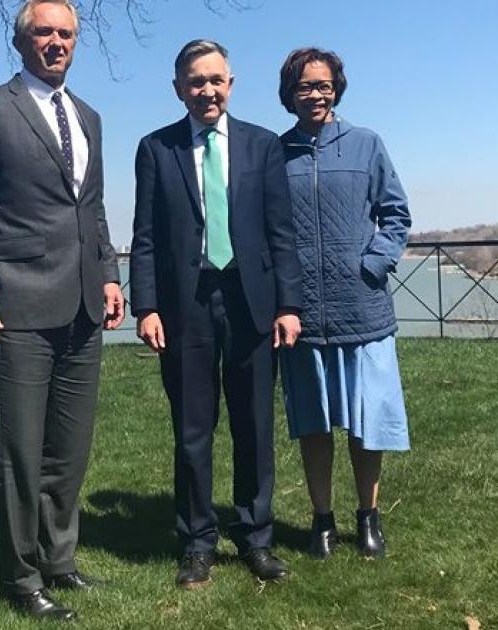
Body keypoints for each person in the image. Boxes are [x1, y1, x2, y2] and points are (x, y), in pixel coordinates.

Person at [0, 0, 124, 619]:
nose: (56, 42)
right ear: (21, 42)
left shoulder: (90, 116)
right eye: (44, 32)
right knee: (21, 448)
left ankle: (59, 559)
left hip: (82, 308)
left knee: (68, 448)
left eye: (66, 33)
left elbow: (91, 208)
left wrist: (109, 275)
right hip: (17, 301)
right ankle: (20, 578)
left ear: (77, 42)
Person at [130, 39, 302, 588]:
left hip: (253, 302)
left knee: (254, 427)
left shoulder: (263, 146)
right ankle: (197, 542)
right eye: (195, 81)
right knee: (192, 430)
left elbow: (282, 233)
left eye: (215, 80)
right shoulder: (157, 149)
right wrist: (147, 305)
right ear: (178, 89)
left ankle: (255, 537)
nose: (207, 90)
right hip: (187, 306)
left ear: (231, 83)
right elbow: (146, 237)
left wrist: (289, 305)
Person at [277, 47, 411, 560]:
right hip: (303, 314)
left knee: (366, 423)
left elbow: (395, 213)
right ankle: (323, 521)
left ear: (337, 88)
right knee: (313, 424)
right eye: (305, 86)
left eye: (324, 85)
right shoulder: (277, 152)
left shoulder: (366, 144)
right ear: (290, 92)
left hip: (364, 309)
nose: (315, 94)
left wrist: (372, 264)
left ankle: (368, 517)